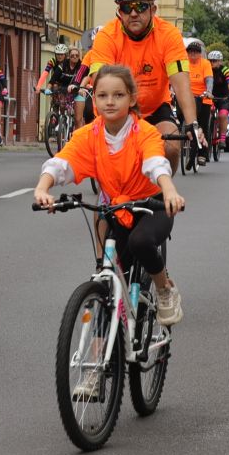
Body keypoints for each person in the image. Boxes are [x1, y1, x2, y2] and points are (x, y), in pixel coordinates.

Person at [32, 63, 184, 341]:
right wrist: (43, 189)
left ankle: (164, 289)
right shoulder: (88, 135)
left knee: (140, 242)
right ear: (94, 101)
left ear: (132, 99)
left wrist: (169, 190)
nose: (110, 102)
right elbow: (62, 163)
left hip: (152, 205)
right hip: (117, 208)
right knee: (109, 279)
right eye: (102, 95)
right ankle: (96, 358)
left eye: (118, 95)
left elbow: (155, 163)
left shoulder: (144, 132)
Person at [85, 0, 199, 172]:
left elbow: (181, 85)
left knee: (170, 146)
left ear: (153, 9)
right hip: (118, 109)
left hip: (155, 107)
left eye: (141, 6)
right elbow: (100, 82)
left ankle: (161, 187)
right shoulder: (106, 36)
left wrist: (192, 124)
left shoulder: (169, 35)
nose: (133, 13)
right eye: (126, 8)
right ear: (119, 12)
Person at [185, 40, 214, 164]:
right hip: (187, 97)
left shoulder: (205, 63)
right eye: (190, 51)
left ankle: (202, 154)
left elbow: (209, 80)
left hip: (203, 98)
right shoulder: (184, 62)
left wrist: (208, 91)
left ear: (200, 53)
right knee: (181, 118)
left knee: (203, 125)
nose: (193, 54)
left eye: (196, 52)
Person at [208, 50, 229, 144]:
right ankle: (208, 132)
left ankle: (222, 138)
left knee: (222, 115)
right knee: (208, 113)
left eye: (214, 61)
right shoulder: (207, 69)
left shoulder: (225, 70)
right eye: (210, 61)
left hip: (223, 98)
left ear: (220, 61)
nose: (212, 63)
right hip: (210, 97)